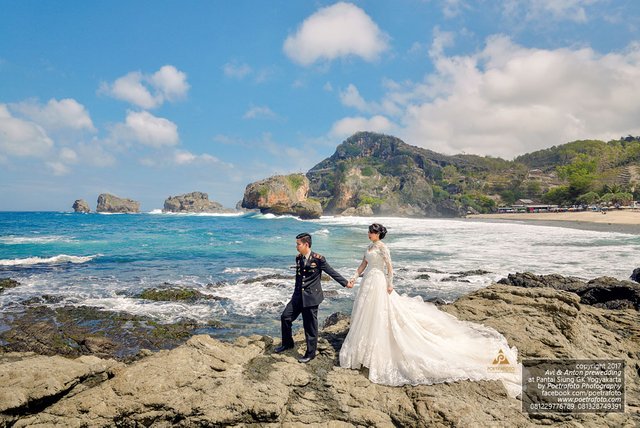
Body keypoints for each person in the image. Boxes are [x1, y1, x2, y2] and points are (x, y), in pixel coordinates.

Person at [339, 223, 522, 398]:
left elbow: (389, 268)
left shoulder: (383, 248)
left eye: (371, 231)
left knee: (379, 313)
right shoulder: (369, 247)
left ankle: (374, 350)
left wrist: (390, 284)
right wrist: (354, 278)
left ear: (378, 234)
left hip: (379, 282)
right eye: (369, 231)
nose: (369, 233)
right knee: (365, 313)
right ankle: (363, 350)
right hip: (368, 281)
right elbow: (363, 265)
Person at [275, 232, 352, 363]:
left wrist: (345, 283)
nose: (296, 246)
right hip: (298, 296)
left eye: (298, 244)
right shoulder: (299, 258)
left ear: (306, 244)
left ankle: (310, 353)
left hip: (311, 297)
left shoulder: (318, 259)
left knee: (310, 326)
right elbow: (299, 279)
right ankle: (287, 343)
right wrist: (295, 294)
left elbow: (331, 271)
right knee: (285, 317)